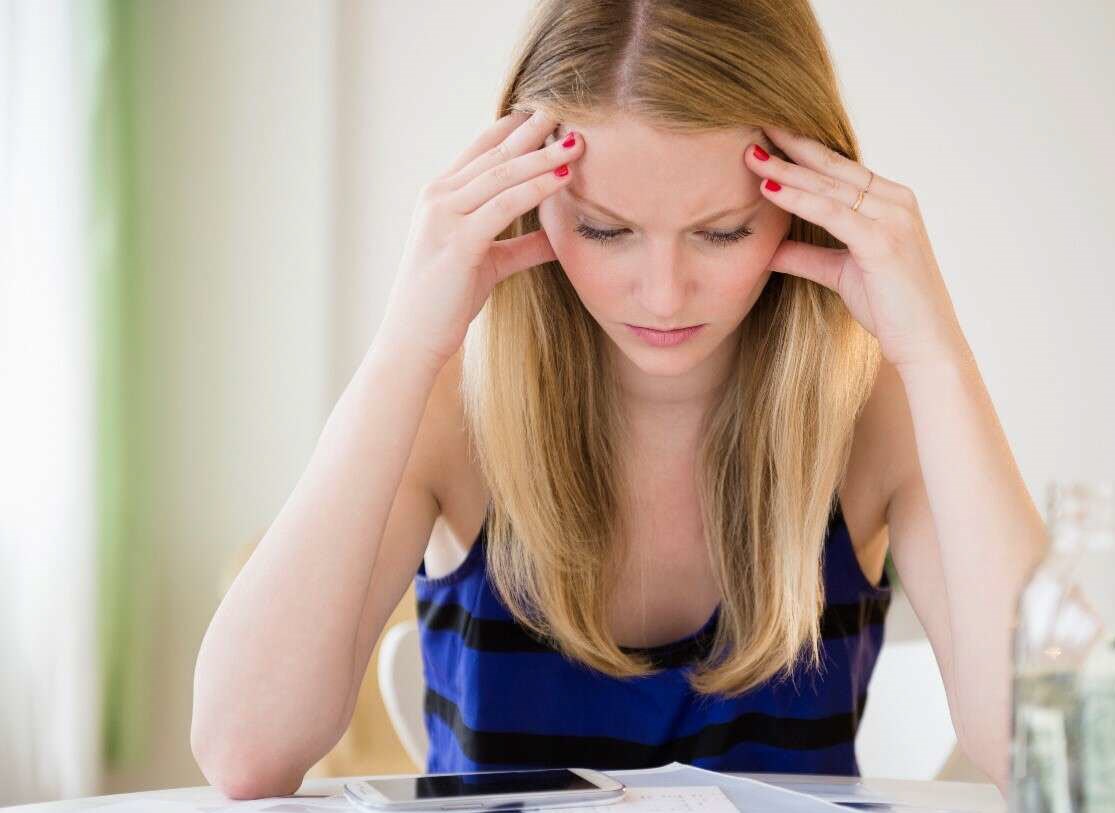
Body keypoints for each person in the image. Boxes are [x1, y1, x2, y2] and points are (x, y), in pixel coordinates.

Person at [190, 0, 1048, 800]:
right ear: (525, 191)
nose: (665, 295)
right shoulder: (455, 404)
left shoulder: (871, 408)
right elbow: (243, 749)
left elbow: (1046, 750)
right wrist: (403, 347)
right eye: (605, 229)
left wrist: (936, 353)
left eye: (723, 230)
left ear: (806, 207)